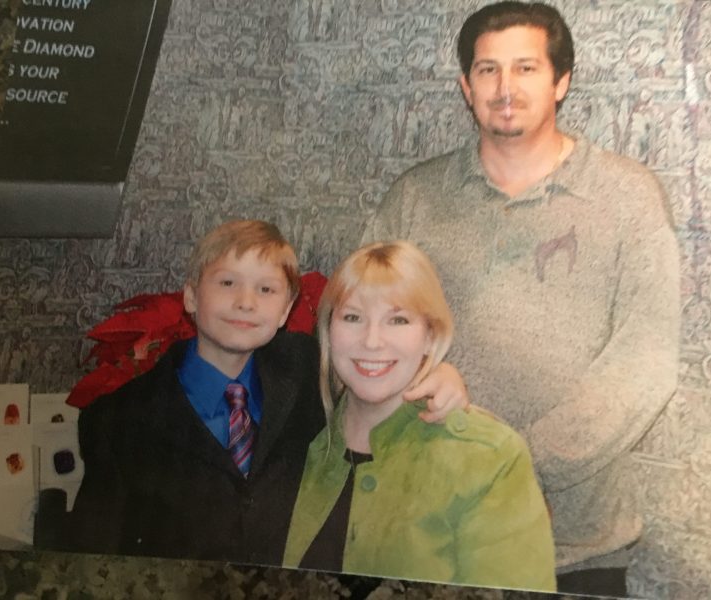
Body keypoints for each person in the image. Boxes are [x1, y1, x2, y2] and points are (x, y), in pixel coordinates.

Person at [363, 2, 680, 595]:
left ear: (561, 82)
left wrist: (520, 461)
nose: (505, 88)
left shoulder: (627, 196)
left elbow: (646, 363)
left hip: (572, 545)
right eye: (488, 70)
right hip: (427, 533)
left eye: (527, 68)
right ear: (466, 86)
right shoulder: (414, 198)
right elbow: (359, 337)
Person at [67, 220, 467, 564]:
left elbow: (376, 377)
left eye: (266, 290)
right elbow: (92, 562)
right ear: (190, 296)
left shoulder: (307, 371)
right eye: (227, 283)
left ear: (286, 309)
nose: (245, 303)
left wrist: (438, 375)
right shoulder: (120, 420)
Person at [283, 241, 556, 592]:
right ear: (328, 333)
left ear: (430, 335)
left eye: (397, 319)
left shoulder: (488, 459)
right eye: (353, 317)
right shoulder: (293, 439)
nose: (372, 341)